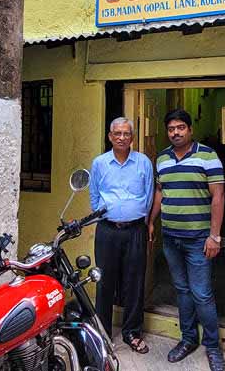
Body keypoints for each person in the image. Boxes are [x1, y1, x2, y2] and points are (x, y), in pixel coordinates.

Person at [148, 109, 225, 371]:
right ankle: (188, 339)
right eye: (171, 129)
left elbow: (218, 196)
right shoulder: (162, 158)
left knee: (202, 294)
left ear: (190, 129)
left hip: (198, 239)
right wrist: (151, 220)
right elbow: (161, 192)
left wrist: (214, 236)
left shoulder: (207, 155)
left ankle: (213, 347)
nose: (176, 133)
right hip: (171, 239)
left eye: (181, 127)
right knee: (181, 290)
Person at [89, 117, 153, 354]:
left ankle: (132, 333)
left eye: (126, 134)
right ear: (110, 136)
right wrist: (105, 216)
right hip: (107, 230)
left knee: (134, 283)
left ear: (132, 138)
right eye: (117, 133)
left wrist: (143, 222)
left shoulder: (143, 162)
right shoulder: (100, 163)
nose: (122, 137)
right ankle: (103, 334)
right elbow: (94, 195)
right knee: (104, 281)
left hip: (136, 230)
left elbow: (148, 197)